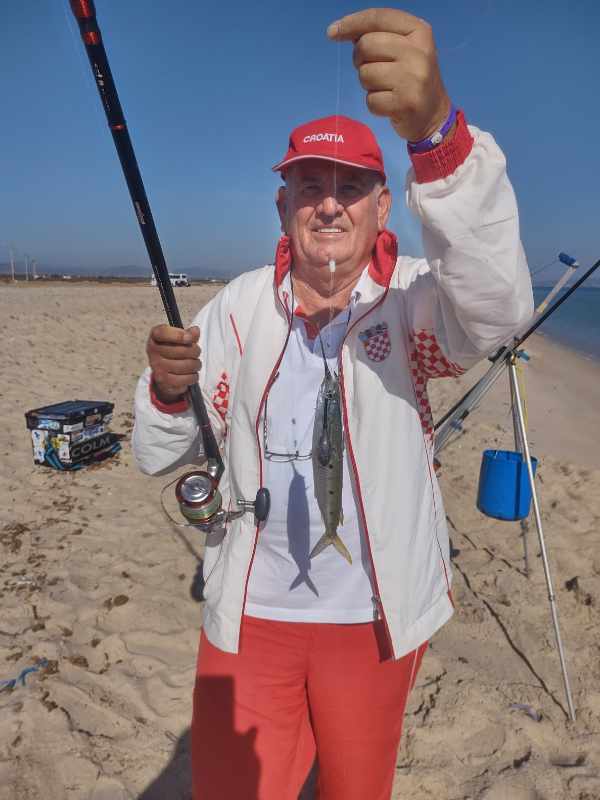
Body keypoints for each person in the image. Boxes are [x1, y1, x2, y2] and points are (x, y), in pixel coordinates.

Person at [132, 8, 533, 799]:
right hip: (251, 616)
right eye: (309, 185)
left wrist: (438, 139)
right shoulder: (236, 311)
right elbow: (154, 454)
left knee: (357, 787)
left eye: (353, 187)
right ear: (282, 206)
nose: (329, 204)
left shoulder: (416, 303)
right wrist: (166, 392)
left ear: (385, 208)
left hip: (374, 623)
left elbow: (496, 311)